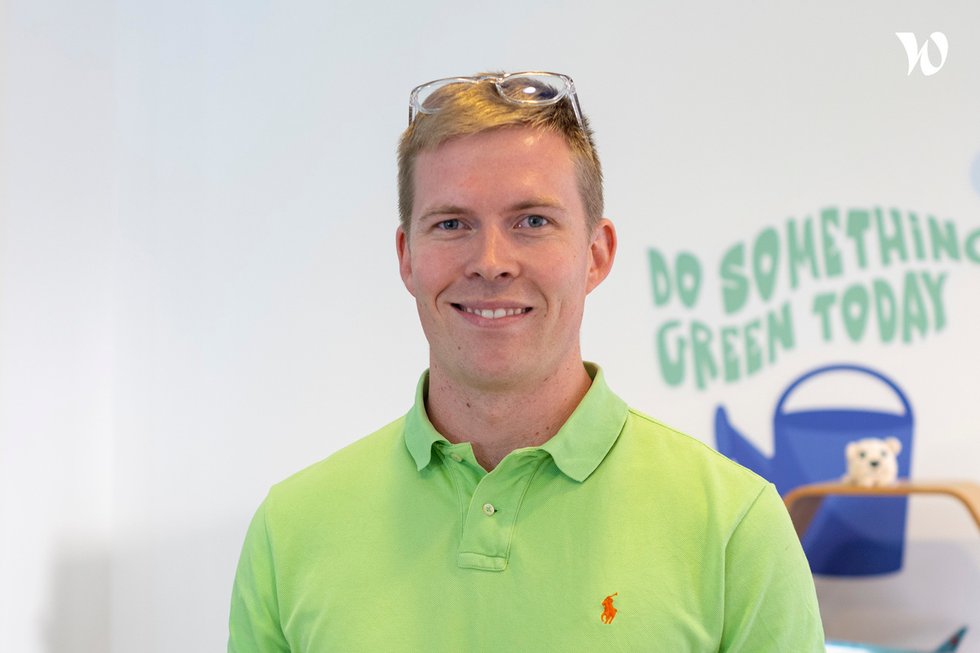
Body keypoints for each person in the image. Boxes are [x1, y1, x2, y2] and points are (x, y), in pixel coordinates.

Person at [228, 71, 825, 651]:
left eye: (533, 221)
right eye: (452, 223)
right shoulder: (290, 530)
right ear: (407, 257)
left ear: (596, 254)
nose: (491, 262)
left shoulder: (735, 527)